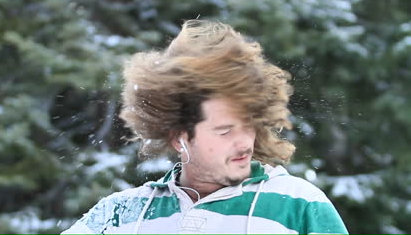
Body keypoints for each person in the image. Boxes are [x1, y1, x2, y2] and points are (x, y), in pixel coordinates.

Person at [62, 20, 348, 234]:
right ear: (179, 136)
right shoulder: (120, 214)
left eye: (249, 125)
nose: (244, 143)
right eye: (224, 131)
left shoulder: (298, 205)